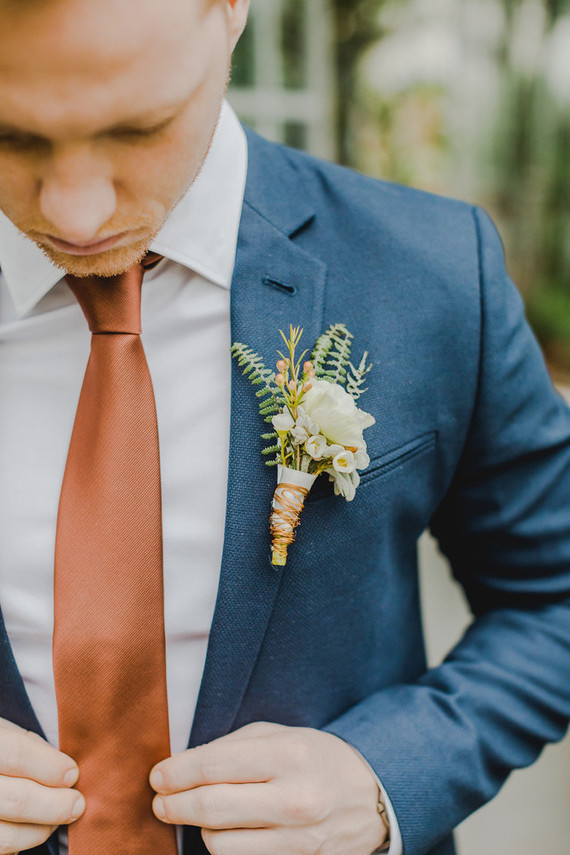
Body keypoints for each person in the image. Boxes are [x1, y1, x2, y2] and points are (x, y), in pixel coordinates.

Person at [0, 1, 568, 855]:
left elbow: (552, 596)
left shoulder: (435, 270)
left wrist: (385, 778)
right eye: (11, 137)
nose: (77, 214)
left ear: (232, 7)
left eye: (137, 128)